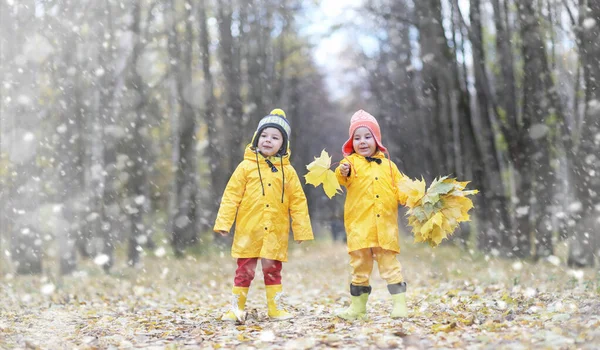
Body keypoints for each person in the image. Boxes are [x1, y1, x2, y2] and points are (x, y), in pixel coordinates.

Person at [214, 108, 314, 321]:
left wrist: (301, 230)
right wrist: (224, 223)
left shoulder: (288, 172)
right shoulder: (245, 167)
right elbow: (231, 196)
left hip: (275, 232)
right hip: (248, 230)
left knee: (273, 271)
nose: (268, 140)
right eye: (264, 136)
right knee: (244, 271)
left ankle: (275, 309)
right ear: (256, 139)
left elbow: (298, 202)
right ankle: (236, 309)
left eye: (275, 137)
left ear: (283, 144)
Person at [334, 109, 409, 320]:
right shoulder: (350, 164)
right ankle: (358, 308)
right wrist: (343, 171)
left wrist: (414, 198)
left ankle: (399, 305)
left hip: (385, 228)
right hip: (360, 228)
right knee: (359, 268)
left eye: (368, 136)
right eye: (357, 138)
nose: (363, 141)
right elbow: (340, 176)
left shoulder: (389, 166)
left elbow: (402, 189)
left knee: (390, 267)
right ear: (351, 142)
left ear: (377, 139)